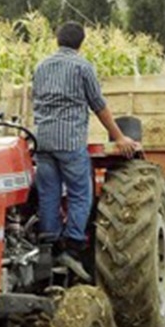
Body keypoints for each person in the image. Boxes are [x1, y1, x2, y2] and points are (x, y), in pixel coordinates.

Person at [32, 22, 140, 280]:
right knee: (82, 193)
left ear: (57, 39)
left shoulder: (41, 67)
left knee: (49, 194)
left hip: (43, 141)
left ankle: (50, 245)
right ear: (81, 43)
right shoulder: (82, 67)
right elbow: (99, 106)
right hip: (70, 142)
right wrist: (119, 136)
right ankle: (73, 244)